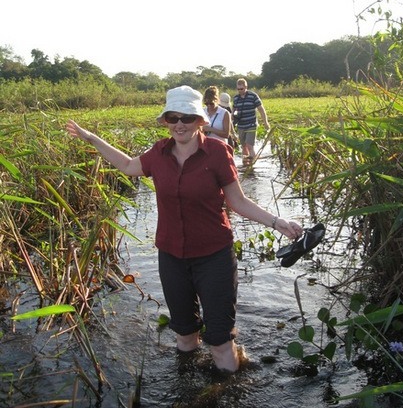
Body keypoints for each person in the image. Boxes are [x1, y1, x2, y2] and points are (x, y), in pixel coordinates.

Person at [66, 85, 303, 373]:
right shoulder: (159, 152)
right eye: (173, 117)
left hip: (214, 256)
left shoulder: (217, 151)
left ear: (200, 120)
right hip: (172, 257)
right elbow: (128, 165)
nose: (179, 124)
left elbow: (238, 201)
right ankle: (188, 391)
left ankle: (228, 394)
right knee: (185, 336)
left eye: (187, 118)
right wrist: (91, 138)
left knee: (219, 341)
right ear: (165, 121)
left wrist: (278, 223)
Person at [233, 78, 270, 163]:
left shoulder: (253, 96)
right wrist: (233, 120)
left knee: (250, 146)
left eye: (241, 89)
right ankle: (245, 165)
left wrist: (265, 122)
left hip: (251, 125)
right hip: (241, 125)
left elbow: (261, 109)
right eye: (238, 89)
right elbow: (234, 111)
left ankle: (253, 165)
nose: (240, 91)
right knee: (244, 146)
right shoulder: (236, 98)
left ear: (246, 87)